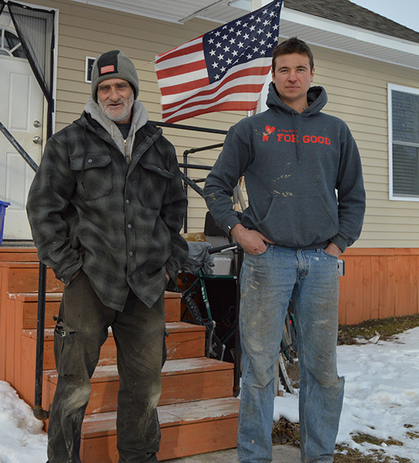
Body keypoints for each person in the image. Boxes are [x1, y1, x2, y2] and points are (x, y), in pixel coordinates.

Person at [204, 37, 366, 463]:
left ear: (312, 74)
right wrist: (239, 232)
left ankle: (319, 456)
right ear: (273, 76)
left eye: (300, 68)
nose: (292, 76)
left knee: (321, 370)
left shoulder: (336, 132)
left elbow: (353, 196)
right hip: (267, 260)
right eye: (283, 69)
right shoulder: (250, 130)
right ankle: (254, 457)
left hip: (320, 261)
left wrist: (338, 245)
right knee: (258, 370)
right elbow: (217, 187)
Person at [26, 50, 189, 463]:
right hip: (90, 282)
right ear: (96, 94)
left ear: (133, 91)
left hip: (147, 287)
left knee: (145, 385)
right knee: (74, 384)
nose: (113, 95)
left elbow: (175, 213)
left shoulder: (161, 148)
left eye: (121, 86)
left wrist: (169, 264)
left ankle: (138, 457)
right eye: (105, 88)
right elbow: (43, 209)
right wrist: (68, 266)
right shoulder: (68, 142)